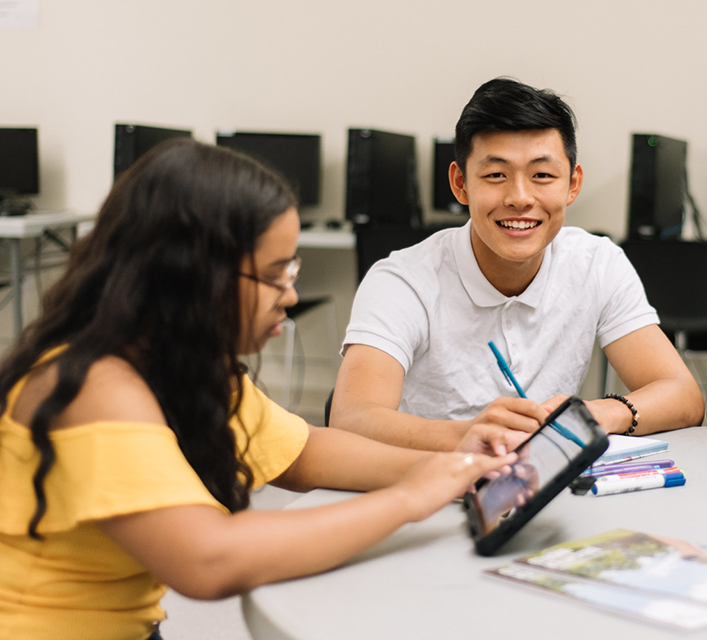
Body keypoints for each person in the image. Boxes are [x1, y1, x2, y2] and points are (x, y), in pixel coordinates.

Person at [0, 139, 520, 640]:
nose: (291, 294)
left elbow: (304, 452)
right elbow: (208, 561)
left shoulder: (183, 367)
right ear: (195, 277)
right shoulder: (95, 388)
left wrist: (456, 463)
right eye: (275, 275)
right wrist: (410, 499)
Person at [332, 77, 703, 448]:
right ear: (460, 183)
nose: (520, 198)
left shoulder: (596, 263)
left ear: (573, 184)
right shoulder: (402, 282)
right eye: (496, 175)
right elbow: (350, 421)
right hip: (429, 485)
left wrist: (596, 414)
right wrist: (472, 435)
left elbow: (683, 396)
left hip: (544, 488)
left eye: (542, 175)